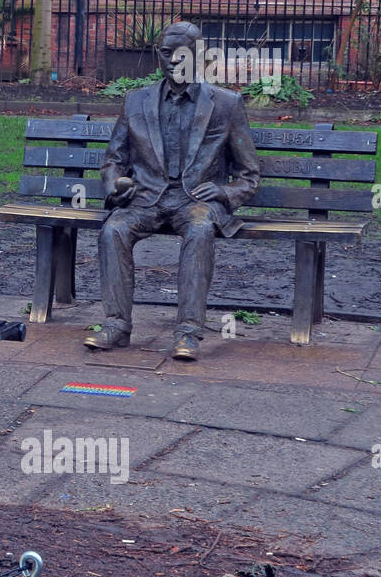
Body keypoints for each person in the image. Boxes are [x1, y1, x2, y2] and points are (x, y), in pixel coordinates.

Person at [86, 21, 261, 361]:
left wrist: (224, 194)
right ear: (158, 56)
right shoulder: (136, 101)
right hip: (146, 199)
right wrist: (116, 186)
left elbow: (249, 175)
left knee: (199, 230)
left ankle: (188, 333)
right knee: (113, 230)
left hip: (195, 201)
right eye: (166, 53)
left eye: (182, 53)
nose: (173, 60)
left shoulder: (225, 104)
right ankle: (116, 326)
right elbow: (113, 160)